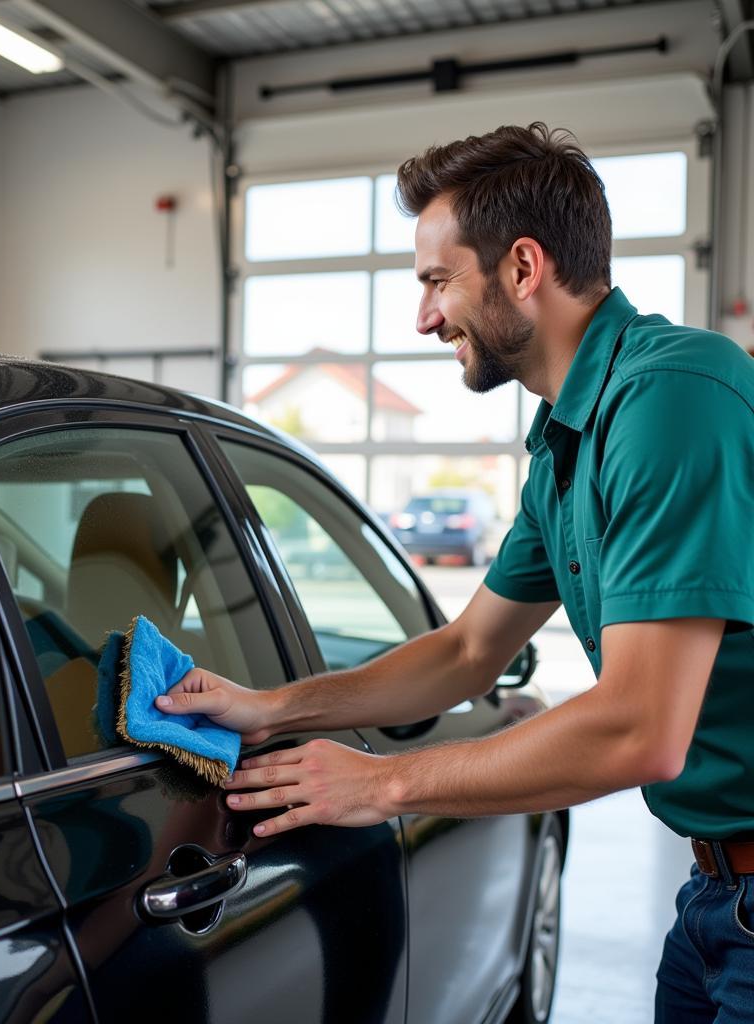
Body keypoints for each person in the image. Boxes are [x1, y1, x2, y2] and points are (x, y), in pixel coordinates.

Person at [154, 122, 754, 1022]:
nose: (425, 317)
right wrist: (272, 706)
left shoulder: (671, 397)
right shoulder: (564, 444)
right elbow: (470, 649)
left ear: (522, 268)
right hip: (716, 897)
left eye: (438, 281)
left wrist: (384, 784)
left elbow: (641, 729)